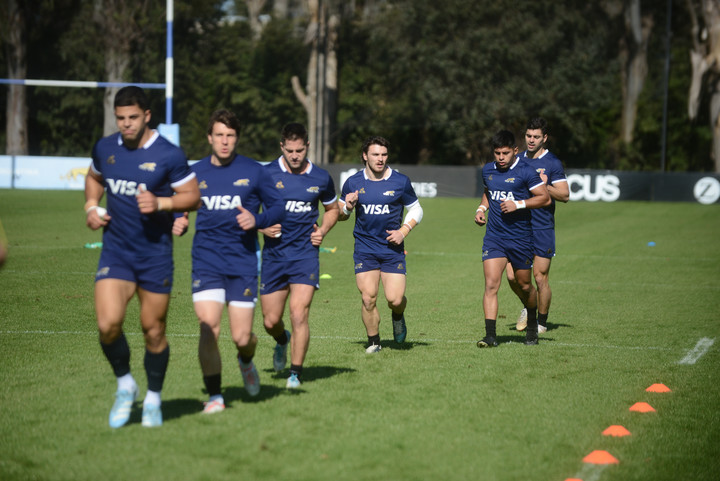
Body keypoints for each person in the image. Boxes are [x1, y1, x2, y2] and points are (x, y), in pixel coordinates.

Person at [84, 86, 201, 428]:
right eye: (120, 118)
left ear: (147, 116)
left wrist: (162, 203)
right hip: (116, 252)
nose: (126, 124)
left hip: (155, 256)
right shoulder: (105, 148)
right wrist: (91, 206)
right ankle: (125, 384)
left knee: (153, 331)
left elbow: (192, 196)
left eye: (133, 117)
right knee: (108, 325)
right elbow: (94, 178)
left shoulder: (169, 154)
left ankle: (152, 397)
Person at [173, 109, 285, 414]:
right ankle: (215, 396)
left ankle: (246, 360)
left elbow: (278, 208)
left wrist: (258, 218)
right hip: (206, 263)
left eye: (230, 136)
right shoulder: (194, 172)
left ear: (237, 138)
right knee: (208, 327)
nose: (225, 141)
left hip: (243, 264)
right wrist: (179, 218)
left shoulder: (255, 171)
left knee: (241, 337)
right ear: (210, 138)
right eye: (219, 135)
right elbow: (178, 202)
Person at [259, 123, 339, 389]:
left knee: (299, 313)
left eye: (299, 150)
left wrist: (324, 230)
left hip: (305, 256)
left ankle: (295, 374)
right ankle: (283, 340)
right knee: (271, 321)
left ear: (307, 146)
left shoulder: (321, 177)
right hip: (273, 257)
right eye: (290, 150)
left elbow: (332, 209)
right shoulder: (265, 174)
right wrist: (261, 225)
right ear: (281, 146)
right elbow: (245, 209)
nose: (295, 155)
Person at [338, 136, 423, 353]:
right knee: (368, 298)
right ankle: (374, 342)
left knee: (395, 300)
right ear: (365, 156)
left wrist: (404, 230)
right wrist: (347, 207)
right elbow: (340, 215)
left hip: (391, 250)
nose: (380, 159)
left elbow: (416, 209)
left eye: (384, 155)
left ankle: (398, 316)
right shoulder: (353, 182)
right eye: (375, 154)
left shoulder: (400, 181)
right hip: (365, 249)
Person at [474, 129, 550, 347]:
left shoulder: (526, 171)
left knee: (525, 285)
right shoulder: (488, 169)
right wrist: (481, 208)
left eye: (505, 153)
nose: (500, 158)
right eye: (497, 153)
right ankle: (490, 336)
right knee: (491, 285)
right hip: (494, 238)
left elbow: (544, 198)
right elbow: (489, 192)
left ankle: (533, 324)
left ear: (515, 151)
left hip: (520, 239)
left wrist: (519, 204)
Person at [506, 118, 569, 334]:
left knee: (540, 277)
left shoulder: (552, 163)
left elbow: (564, 195)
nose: (531, 140)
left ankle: (541, 323)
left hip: (542, 227)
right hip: (518, 228)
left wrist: (543, 185)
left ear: (544, 138)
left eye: (536, 137)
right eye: (528, 136)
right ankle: (528, 305)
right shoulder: (516, 160)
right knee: (512, 277)